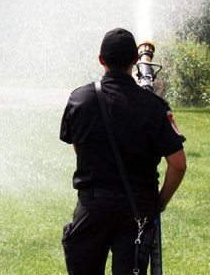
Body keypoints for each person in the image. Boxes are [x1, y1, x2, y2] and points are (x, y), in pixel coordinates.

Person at [59, 28, 186, 274]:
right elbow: (178, 164)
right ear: (135, 61)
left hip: (92, 206)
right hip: (137, 209)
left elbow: (78, 146)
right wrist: (160, 202)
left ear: (100, 59)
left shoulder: (79, 99)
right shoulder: (154, 106)